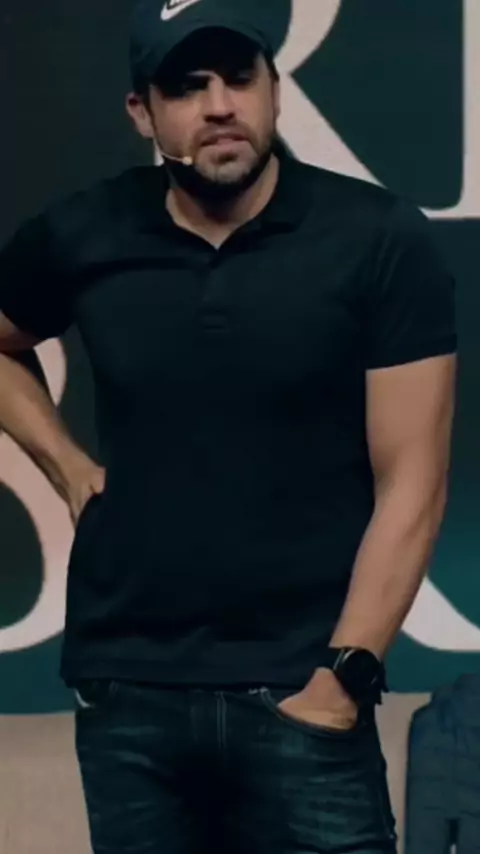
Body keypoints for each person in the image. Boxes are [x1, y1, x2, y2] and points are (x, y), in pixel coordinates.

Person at [0, 1, 457, 852]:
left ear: (274, 90)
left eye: (239, 78)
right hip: (129, 695)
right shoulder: (85, 232)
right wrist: (64, 463)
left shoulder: (378, 238)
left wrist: (343, 678)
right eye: (186, 85)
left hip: (304, 692)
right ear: (142, 112)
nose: (218, 106)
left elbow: (415, 482)